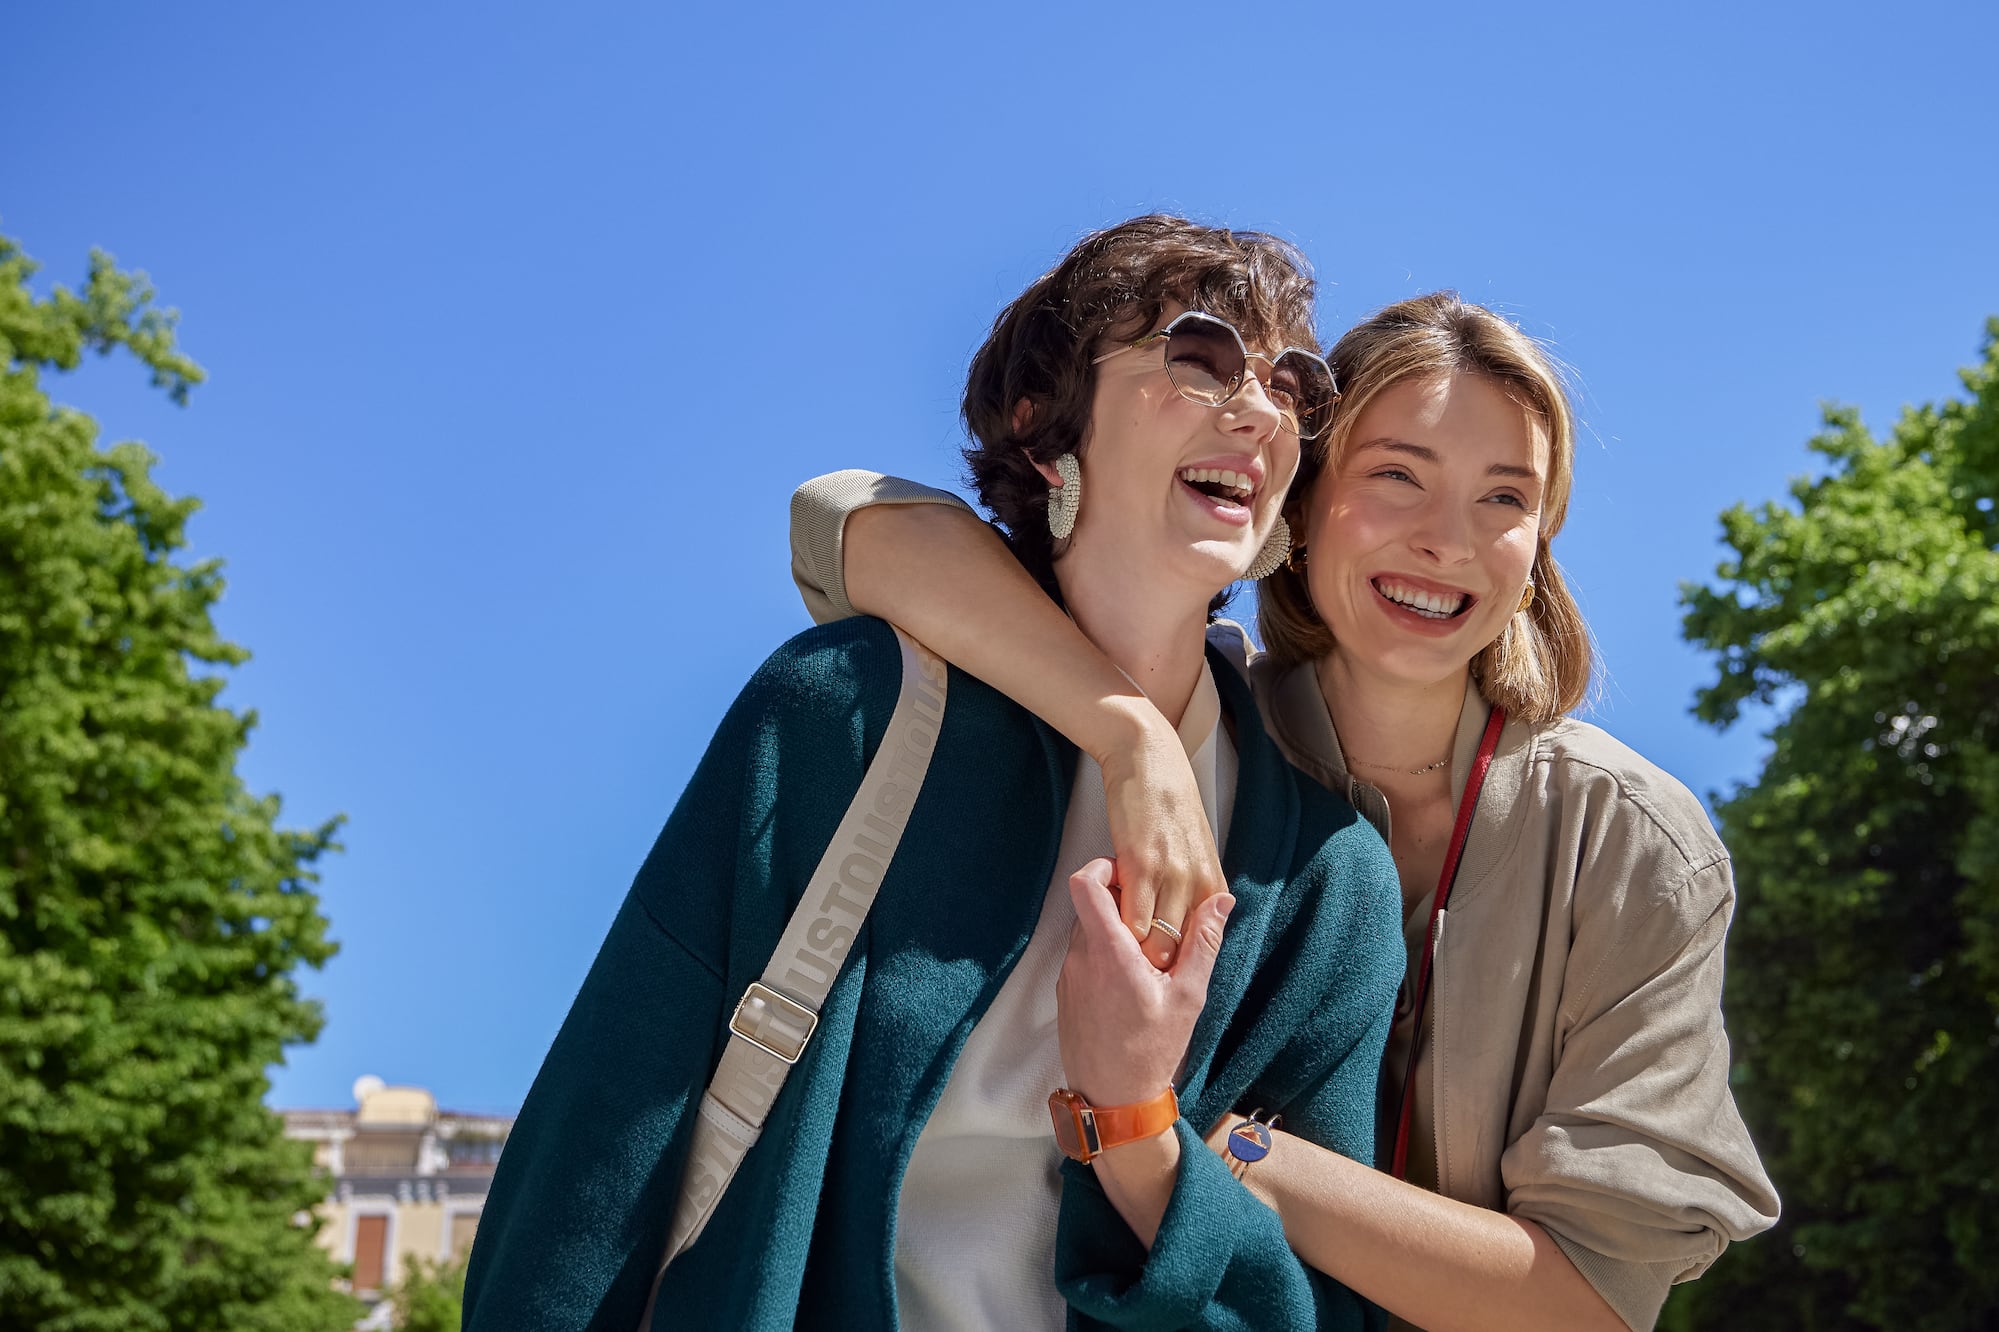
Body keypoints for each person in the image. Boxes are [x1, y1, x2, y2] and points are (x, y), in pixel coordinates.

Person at [463, 215, 1405, 1331]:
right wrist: (1131, 738)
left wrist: (1136, 1117)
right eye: (1197, 356)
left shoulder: (1328, 883)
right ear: (1044, 428)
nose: (1258, 411)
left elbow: (1302, 1305)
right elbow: (599, 1155)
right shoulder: (845, 714)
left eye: (1291, 386)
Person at [785, 292, 1782, 1331]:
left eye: (1503, 498)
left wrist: (1224, 1146)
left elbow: (1588, 1306)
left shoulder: (1635, 844)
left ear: (1538, 545)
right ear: (1299, 497)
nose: (1447, 541)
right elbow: (835, 520)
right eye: (1396, 475)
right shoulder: (1191, 725)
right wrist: (1132, 738)